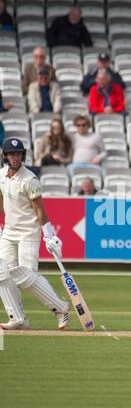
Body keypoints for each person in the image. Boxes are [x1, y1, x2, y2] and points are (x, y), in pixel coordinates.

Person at [0, 138, 70, 330]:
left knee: (25, 276)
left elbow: (41, 211)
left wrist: (49, 236)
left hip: (28, 233)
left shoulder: (30, 179)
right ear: (5, 156)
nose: (16, 157)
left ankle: (61, 308)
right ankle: (18, 318)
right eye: (12, 154)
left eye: (19, 153)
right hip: (9, 232)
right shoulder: (1, 175)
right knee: (2, 274)